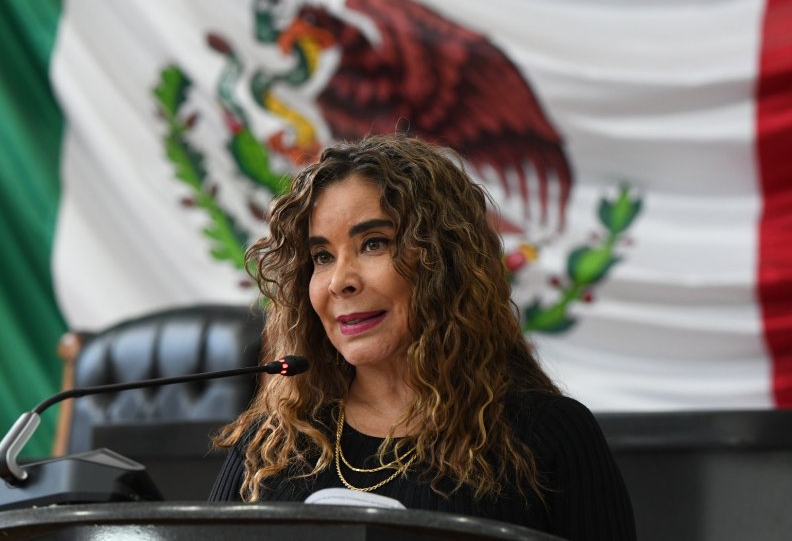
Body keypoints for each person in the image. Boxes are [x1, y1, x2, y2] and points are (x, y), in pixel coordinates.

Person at [209, 134, 636, 540]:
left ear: (444, 263)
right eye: (322, 256)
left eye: (374, 244)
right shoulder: (272, 444)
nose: (340, 281)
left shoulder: (547, 436)